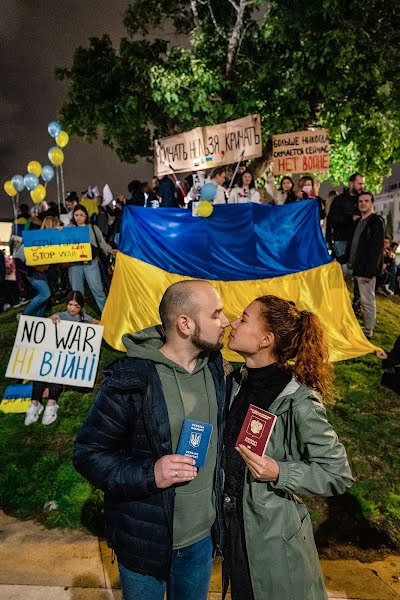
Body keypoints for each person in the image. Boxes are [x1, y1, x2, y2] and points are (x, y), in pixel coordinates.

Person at [73, 280, 229, 600]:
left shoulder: (215, 368)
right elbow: (88, 453)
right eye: (216, 315)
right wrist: (150, 473)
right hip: (145, 544)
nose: (225, 321)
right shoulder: (132, 378)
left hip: (202, 542)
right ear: (185, 324)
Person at [222, 295, 354, 600]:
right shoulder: (237, 383)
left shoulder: (299, 402)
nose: (233, 323)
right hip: (237, 540)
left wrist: (279, 471)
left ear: (266, 339)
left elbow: (338, 473)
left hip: (274, 545)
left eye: (243, 319)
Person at [24, 291, 99, 426]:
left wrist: (95, 324)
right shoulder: (61, 316)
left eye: (76, 306)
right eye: (70, 304)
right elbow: (49, 324)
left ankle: (51, 405)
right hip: (54, 355)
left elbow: (94, 323)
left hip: (69, 360)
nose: (72, 308)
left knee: (57, 373)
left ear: (81, 307)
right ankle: (34, 404)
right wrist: (52, 318)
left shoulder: (84, 318)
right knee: (41, 370)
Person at [349, 192, 385, 340]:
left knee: (367, 300)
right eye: (360, 201)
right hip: (356, 267)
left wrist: (369, 272)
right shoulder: (359, 222)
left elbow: (376, 249)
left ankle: (368, 330)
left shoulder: (376, 221)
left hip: (366, 270)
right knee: (361, 298)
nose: (363, 203)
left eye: (366, 201)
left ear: (372, 203)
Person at [68, 204, 117, 312]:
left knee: (98, 290)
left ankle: (106, 315)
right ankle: (80, 317)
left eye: (81, 215)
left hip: (91, 264)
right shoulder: (68, 228)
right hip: (75, 265)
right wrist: (58, 230)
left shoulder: (93, 228)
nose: (79, 217)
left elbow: (101, 242)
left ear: (86, 215)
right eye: (76, 215)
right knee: (77, 293)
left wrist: (110, 250)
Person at [327, 172, 365, 264]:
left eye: (363, 184)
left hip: (360, 240)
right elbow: (332, 219)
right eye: (359, 184)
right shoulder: (339, 200)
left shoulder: (364, 199)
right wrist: (350, 218)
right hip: (342, 240)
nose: (362, 186)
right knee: (344, 270)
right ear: (351, 183)